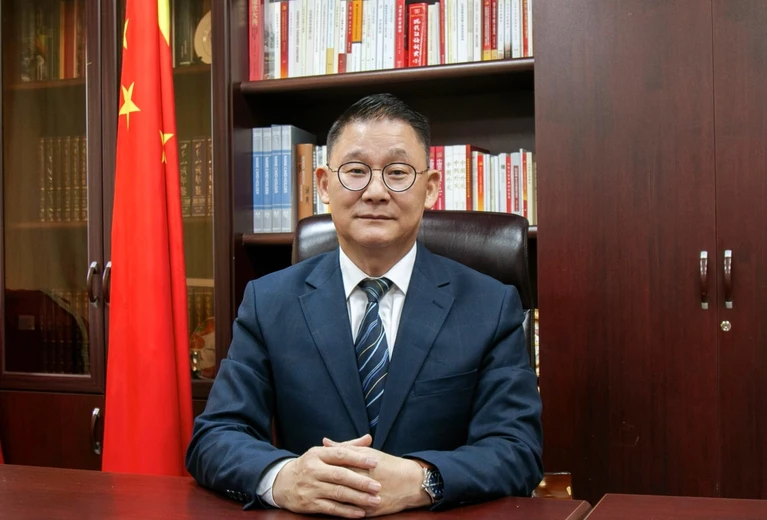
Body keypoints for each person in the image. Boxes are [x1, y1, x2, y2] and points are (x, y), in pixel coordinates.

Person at [185, 93, 543, 517]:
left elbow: (517, 449)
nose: (375, 192)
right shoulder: (269, 302)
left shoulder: (490, 305)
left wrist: (422, 480)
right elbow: (215, 437)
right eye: (355, 171)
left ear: (430, 188)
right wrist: (283, 479)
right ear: (323, 185)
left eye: (397, 172)